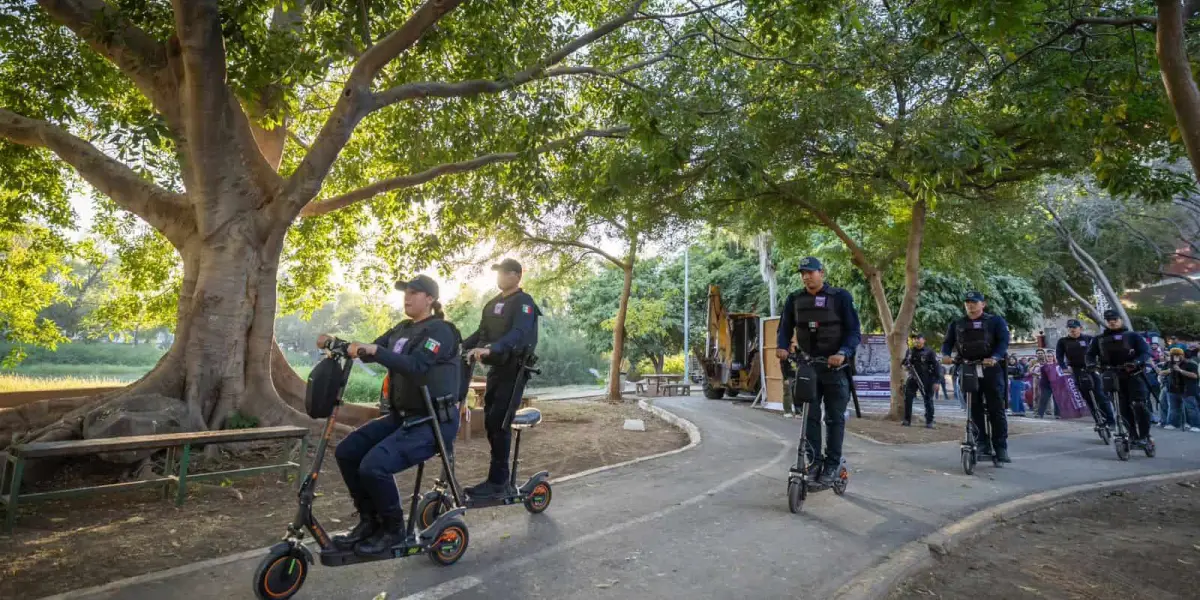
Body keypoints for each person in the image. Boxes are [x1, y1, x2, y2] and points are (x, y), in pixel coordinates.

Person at [320, 275, 462, 555]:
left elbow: (418, 366)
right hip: (403, 418)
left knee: (374, 466)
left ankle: (394, 528)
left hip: (433, 422)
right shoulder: (401, 329)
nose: (406, 298)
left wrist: (377, 351)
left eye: (413, 293)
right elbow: (371, 351)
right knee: (348, 451)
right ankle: (370, 521)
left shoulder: (441, 331)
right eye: (405, 293)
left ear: (430, 299)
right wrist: (339, 343)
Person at [776, 256, 862, 487]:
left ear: (821, 273)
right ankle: (814, 463)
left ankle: (832, 464)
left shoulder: (840, 297)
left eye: (810, 272)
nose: (806, 276)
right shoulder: (795, 299)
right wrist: (782, 347)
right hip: (809, 367)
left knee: (834, 419)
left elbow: (854, 332)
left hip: (836, 367)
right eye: (802, 273)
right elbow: (784, 328)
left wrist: (843, 352)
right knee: (810, 417)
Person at [462, 258, 542, 499]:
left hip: (515, 370)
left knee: (500, 421)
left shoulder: (524, 303)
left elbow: (518, 334)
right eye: (497, 273)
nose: (499, 277)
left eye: (504, 273)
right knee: (490, 420)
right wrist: (458, 347)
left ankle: (499, 482)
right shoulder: (492, 304)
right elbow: (481, 334)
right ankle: (496, 479)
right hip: (496, 369)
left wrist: (493, 348)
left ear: (517, 276)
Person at [941, 291, 1011, 462]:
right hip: (967, 367)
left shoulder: (995, 321)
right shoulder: (957, 323)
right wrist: (945, 355)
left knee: (996, 408)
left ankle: (1000, 446)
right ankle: (981, 442)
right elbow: (947, 343)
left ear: (983, 304)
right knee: (973, 408)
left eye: (974, 302)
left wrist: (995, 357)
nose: (970, 305)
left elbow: (1003, 342)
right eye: (967, 303)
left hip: (991, 368)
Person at [1087, 309, 1154, 447]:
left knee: (1139, 404)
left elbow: (1146, 352)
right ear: (1106, 322)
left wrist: (1135, 363)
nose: (1112, 322)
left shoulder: (1132, 336)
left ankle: (1144, 436)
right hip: (1112, 376)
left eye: (1115, 320)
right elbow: (1090, 355)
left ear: (1120, 320)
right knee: (1121, 408)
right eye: (1109, 320)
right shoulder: (1098, 339)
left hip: (1134, 375)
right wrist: (1091, 364)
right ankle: (1132, 435)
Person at [1055, 319, 1116, 428]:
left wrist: (1101, 364)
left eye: (1074, 327)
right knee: (1088, 398)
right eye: (1070, 328)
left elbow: (1100, 351)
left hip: (1092, 369)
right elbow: (1059, 356)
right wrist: (1064, 367)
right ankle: (1099, 421)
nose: (1072, 330)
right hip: (1076, 371)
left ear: (1080, 328)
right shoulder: (1063, 341)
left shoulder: (1089, 339)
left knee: (1100, 395)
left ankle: (1111, 421)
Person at [902, 333, 941, 427]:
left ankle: (929, 421)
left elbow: (936, 366)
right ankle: (907, 420)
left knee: (928, 399)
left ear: (924, 340)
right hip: (913, 378)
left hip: (927, 379)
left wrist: (937, 381)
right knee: (908, 398)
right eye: (915, 339)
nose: (916, 340)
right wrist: (905, 366)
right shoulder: (910, 351)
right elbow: (904, 363)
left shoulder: (929, 352)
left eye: (919, 338)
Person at [1160, 347, 1200, 432]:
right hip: (1173, 389)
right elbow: (1161, 372)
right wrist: (1168, 371)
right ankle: (1173, 424)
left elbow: (1195, 376)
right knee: (1173, 408)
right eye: (1173, 355)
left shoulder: (1190, 364)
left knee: (1191, 408)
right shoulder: (1169, 364)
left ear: (1182, 355)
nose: (1176, 357)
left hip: (1187, 389)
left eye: (1178, 355)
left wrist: (1180, 370)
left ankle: (1196, 425)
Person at [1031, 349, 1057, 418]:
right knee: (1043, 399)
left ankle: (1058, 414)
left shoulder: (1057, 365)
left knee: (1056, 400)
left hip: (1056, 385)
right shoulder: (1043, 366)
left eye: (1051, 356)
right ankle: (1040, 414)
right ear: (1046, 357)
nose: (1049, 358)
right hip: (1046, 385)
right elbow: (1034, 372)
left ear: (1053, 357)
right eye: (1048, 356)